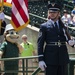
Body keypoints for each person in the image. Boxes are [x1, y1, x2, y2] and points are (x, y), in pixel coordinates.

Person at [37, 3, 74, 75]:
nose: (52, 14)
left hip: (63, 58)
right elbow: (40, 43)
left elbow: (67, 39)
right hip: (50, 59)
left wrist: (71, 42)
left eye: (54, 12)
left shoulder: (63, 26)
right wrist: (40, 59)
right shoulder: (44, 26)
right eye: (50, 12)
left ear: (58, 13)